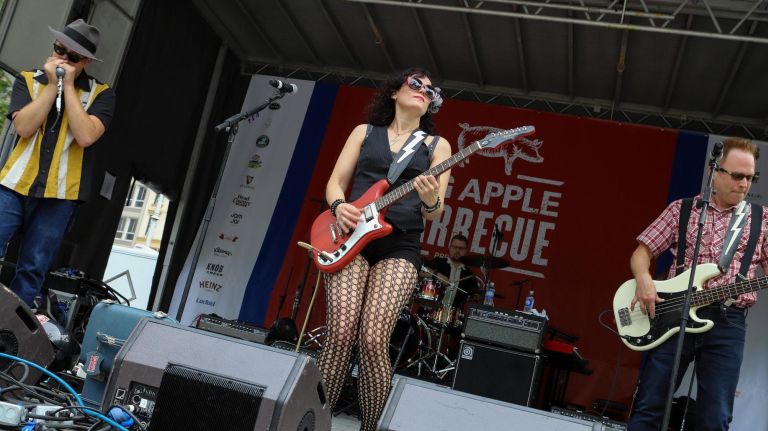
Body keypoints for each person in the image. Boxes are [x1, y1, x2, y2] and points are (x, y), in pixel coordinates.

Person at [317, 68, 451, 430]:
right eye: (415, 83)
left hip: (400, 243)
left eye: (430, 89)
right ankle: (314, 420)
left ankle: (371, 426)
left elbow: (435, 210)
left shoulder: (437, 147)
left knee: (374, 337)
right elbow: (335, 183)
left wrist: (428, 198)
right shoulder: (364, 133)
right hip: (350, 237)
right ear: (394, 92)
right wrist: (338, 207)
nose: (423, 90)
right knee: (341, 331)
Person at [628, 138, 768, 430]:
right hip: (673, 316)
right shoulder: (684, 209)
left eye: (751, 177)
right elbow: (642, 253)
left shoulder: (762, 219)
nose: (745, 184)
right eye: (738, 175)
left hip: (728, 322)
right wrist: (644, 281)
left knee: (715, 417)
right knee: (650, 405)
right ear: (714, 171)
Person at [0, 19, 115, 307]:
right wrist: (52, 85)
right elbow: (24, 128)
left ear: (86, 61)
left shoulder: (102, 94)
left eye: (72, 56)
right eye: (59, 50)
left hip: (61, 195)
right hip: (14, 185)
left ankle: (9, 341)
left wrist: (69, 87)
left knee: (32, 269)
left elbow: (86, 135)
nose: (62, 59)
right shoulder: (28, 79)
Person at [426, 233, 480, 311]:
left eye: (461, 248)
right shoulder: (438, 262)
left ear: (466, 251)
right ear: (450, 247)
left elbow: (475, 295)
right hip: (430, 309)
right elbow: (421, 271)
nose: (457, 250)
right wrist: (436, 275)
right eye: (454, 247)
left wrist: (477, 296)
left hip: (453, 317)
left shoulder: (469, 275)